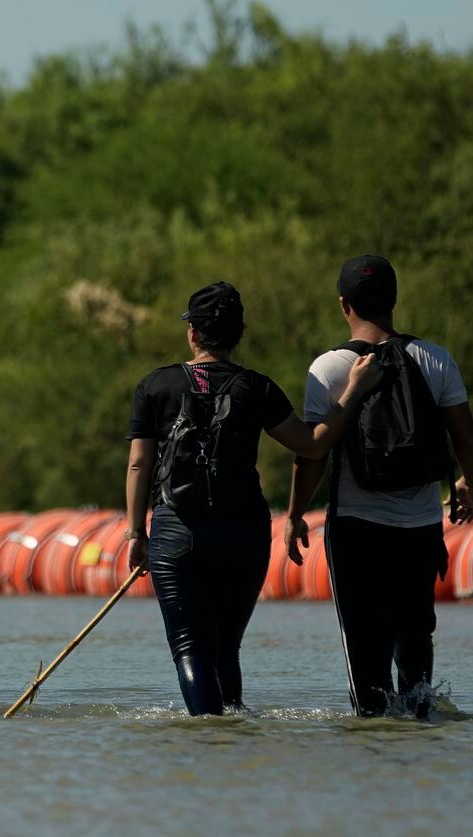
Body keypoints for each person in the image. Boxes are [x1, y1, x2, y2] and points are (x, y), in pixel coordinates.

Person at [126, 281, 382, 716]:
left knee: (191, 647)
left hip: (177, 533)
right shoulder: (256, 388)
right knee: (226, 646)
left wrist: (136, 533)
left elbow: (138, 464)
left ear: (193, 333)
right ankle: (233, 733)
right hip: (245, 535)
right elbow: (311, 444)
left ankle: (208, 733)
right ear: (238, 334)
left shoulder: (156, 386)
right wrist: (353, 390)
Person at [285, 256, 473, 717]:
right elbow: (468, 439)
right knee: (415, 640)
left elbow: (313, 453)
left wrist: (295, 515)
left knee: (364, 648)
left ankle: (373, 743)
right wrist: (468, 484)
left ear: (343, 304)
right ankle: (419, 727)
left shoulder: (331, 367)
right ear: (394, 300)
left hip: (357, 528)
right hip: (419, 526)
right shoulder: (434, 358)